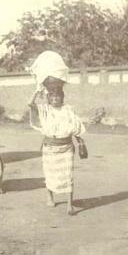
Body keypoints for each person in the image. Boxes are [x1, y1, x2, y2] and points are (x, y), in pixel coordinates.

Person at [28, 83, 85, 215]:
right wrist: (37, 91)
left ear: (62, 97)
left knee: (68, 175)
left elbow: (75, 125)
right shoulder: (45, 110)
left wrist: (80, 142)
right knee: (50, 173)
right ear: (49, 98)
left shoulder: (68, 110)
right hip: (50, 148)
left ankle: (70, 205)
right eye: (52, 97)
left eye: (57, 97)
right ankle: (50, 197)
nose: (55, 99)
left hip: (66, 147)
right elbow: (30, 104)